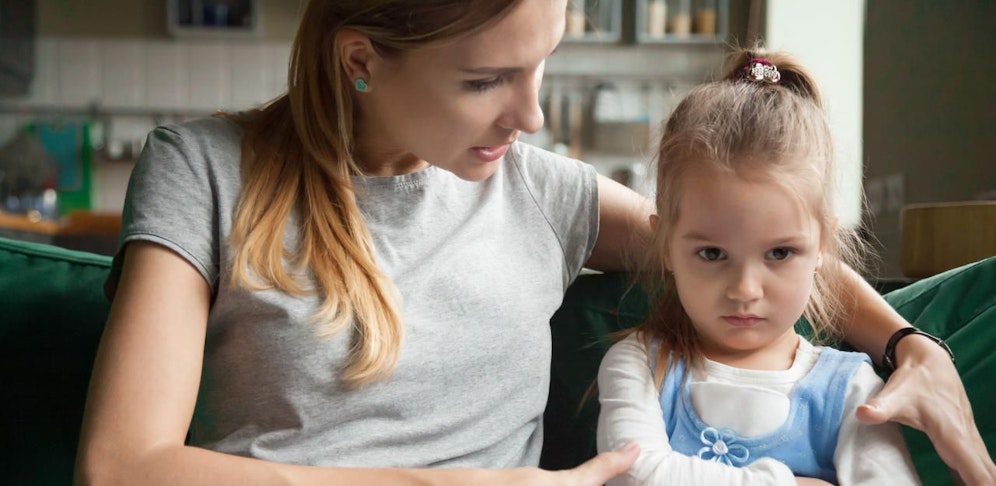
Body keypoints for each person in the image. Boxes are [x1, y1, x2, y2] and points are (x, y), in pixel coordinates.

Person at [74, 1, 993, 484]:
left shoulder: (540, 190)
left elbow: (754, 244)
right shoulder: (204, 168)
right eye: (488, 80)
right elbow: (122, 467)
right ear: (360, 61)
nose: (534, 111)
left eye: (541, 62)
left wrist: (910, 345)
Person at [596, 49, 922, 485]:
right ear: (666, 246)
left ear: (822, 243)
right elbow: (633, 474)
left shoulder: (850, 389)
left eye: (780, 253)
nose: (745, 289)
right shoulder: (638, 363)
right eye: (712, 254)